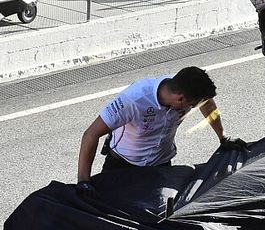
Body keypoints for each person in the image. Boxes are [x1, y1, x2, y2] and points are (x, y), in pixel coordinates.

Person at [76, 66, 246, 193]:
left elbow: (207, 103)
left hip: (161, 166)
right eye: (192, 105)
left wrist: (223, 137)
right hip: (123, 166)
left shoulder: (184, 89)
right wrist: (84, 181)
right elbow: (91, 134)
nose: (192, 108)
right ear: (180, 98)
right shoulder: (133, 100)